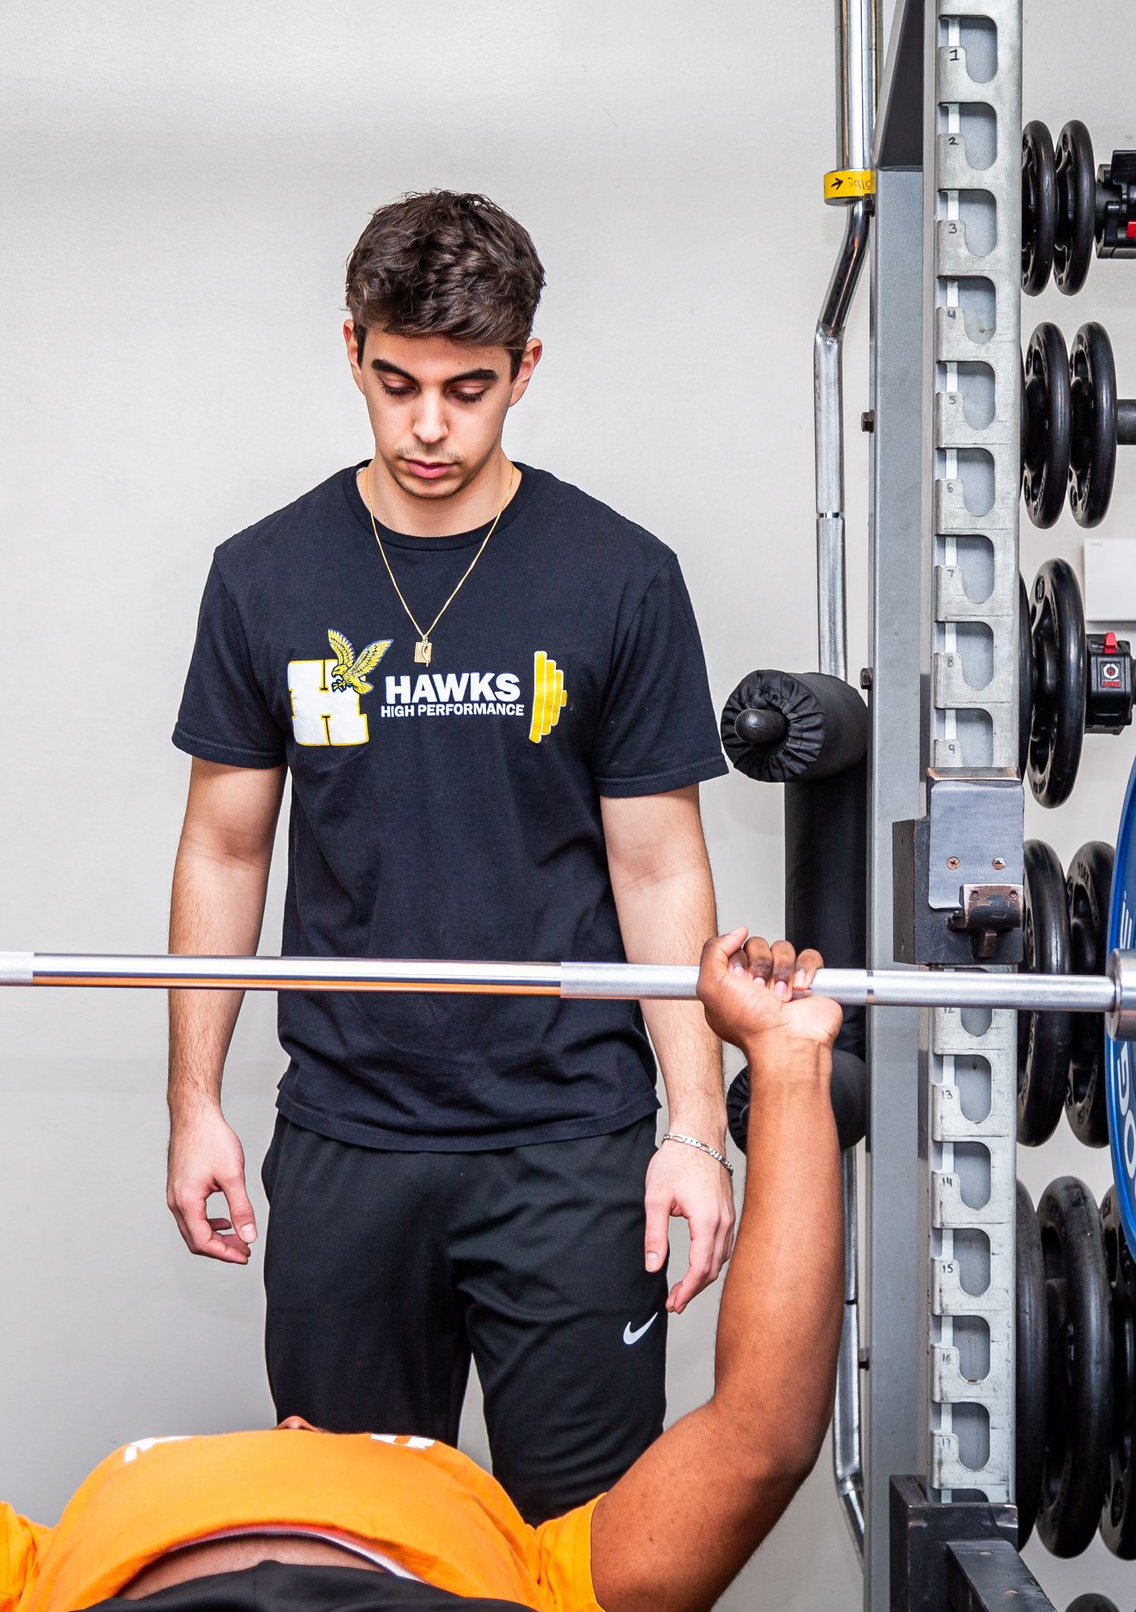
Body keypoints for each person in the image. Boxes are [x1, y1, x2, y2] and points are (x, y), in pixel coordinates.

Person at [0, 911, 843, 1612]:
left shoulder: (39, 1579)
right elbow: (759, 1436)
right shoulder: (540, 1572)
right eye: (374, 1442)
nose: (297, 1426)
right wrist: (787, 1066)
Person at [164, 191, 732, 1520]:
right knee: (357, 1549)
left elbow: (659, 869)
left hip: (570, 1144)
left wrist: (696, 1126)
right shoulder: (263, 576)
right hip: (348, 1136)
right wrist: (193, 1102)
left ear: (524, 369)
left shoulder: (620, 577)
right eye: (398, 383)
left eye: (468, 390)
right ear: (351, 349)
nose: (429, 426)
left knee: (585, 1554)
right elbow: (225, 848)